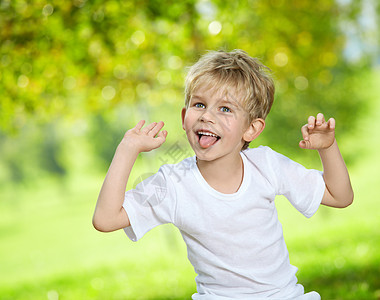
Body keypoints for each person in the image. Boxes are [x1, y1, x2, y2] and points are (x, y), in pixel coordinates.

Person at [92, 49, 353, 299]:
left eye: (225, 109)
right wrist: (127, 149)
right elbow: (106, 219)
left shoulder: (267, 165)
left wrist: (328, 148)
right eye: (199, 104)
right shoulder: (173, 185)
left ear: (251, 129)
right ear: (184, 118)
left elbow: (339, 196)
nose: (207, 116)